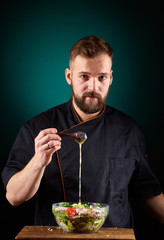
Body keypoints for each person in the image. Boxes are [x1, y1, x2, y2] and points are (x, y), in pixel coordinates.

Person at [2, 36, 164, 228]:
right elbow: (13, 196)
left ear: (111, 78)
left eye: (101, 77)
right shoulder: (38, 127)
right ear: (69, 77)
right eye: (84, 76)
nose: (93, 88)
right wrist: (39, 161)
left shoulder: (130, 131)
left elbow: (148, 194)